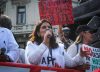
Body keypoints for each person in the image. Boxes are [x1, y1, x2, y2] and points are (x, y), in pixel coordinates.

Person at [25, 19, 90, 68]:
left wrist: (80, 55)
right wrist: (45, 43)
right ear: (38, 33)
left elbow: (71, 63)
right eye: (44, 27)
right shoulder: (31, 44)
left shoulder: (59, 47)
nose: (47, 28)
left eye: (49, 27)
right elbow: (32, 61)